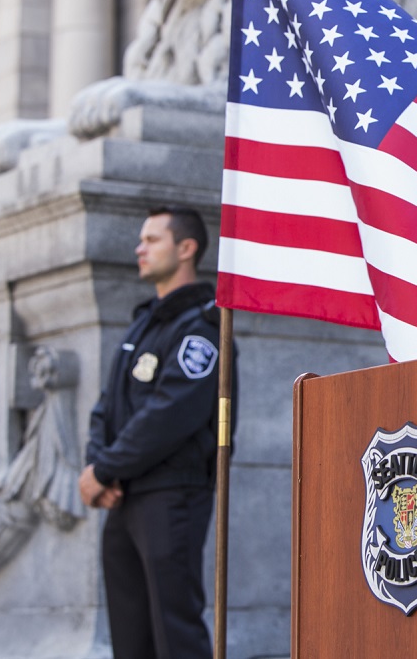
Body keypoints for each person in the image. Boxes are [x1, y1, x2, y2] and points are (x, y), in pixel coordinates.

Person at [79, 205, 235, 658]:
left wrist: (104, 470)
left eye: (152, 240)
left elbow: (171, 413)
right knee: (131, 639)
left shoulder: (201, 329)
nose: (139, 249)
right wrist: (99, 467)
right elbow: (106, 406)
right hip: (124, 495)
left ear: (186, 248)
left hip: (171, 496)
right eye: (141, 240)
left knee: (174, 634)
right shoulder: (144, 324)